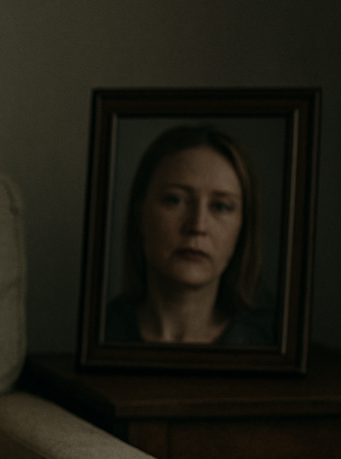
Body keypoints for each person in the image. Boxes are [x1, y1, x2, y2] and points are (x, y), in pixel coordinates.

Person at [103, 125, 275, 346]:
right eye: (174, 200)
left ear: (242, 228)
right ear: (140, 214)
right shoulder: (100, 332)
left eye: (221, 206)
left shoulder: (271, 341)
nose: (197, 225)